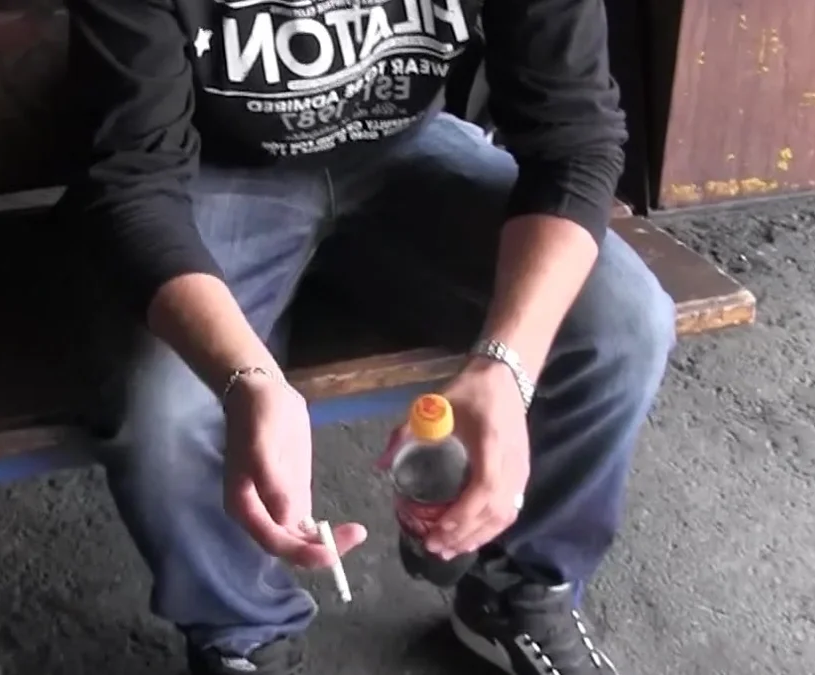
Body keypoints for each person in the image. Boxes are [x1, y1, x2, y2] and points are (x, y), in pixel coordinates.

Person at [64, 0, 676, 673]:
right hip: (208, 171)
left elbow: (575, 139)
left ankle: (515, 591)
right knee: (166, 407)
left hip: (405, 148)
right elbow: (132, 186)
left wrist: (507, 367)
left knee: (625, 324)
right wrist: (247, 380)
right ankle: (243, 634)